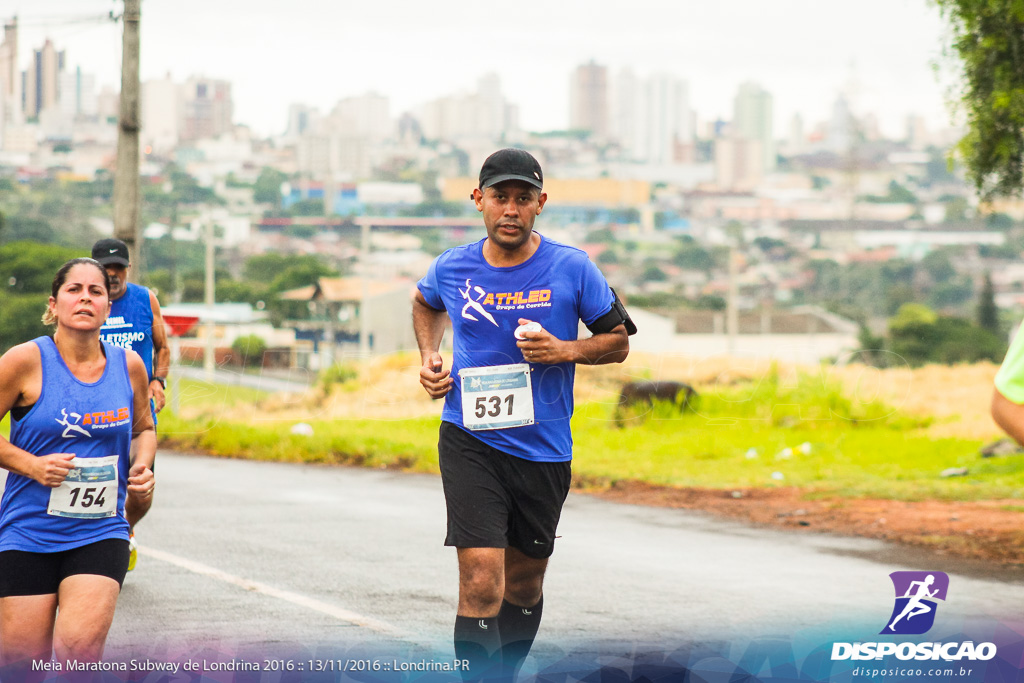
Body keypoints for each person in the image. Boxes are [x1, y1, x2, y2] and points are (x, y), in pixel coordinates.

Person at [413, 148, 634, 681]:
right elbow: (425, 304)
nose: (510, 209)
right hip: (470, 438)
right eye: (499, 197)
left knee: (525, 583)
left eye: (523, 198)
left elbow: (617, 341)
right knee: (481, 579)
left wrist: (564, 350)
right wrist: (429, 357)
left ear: (540, 205)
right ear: (479, 200)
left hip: (543, 447)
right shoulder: (452, 265)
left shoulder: (572, 266)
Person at [0, 258, 155, 674]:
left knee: (79, 658)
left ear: (108, 307)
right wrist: (32, 466)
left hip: (100, 530)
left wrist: (142, 466)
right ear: (54, 304)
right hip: (27, 531)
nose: (85, 297)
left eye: (96, 291)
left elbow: (145, 429)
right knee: (20, 666)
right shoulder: (24, 361)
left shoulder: (130, 367)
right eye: (74, 290)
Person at [91, 237, 169, 570]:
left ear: (128, 269)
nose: (112, 274)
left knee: (140, 484)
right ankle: (97, 540)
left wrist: (158, 380)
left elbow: (162, 347)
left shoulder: (145, 299)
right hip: (93, 409)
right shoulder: (85, 303)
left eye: (118, 268)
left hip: (137, 411)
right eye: (106, 268)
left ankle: (125, 529)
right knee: (96, 480)